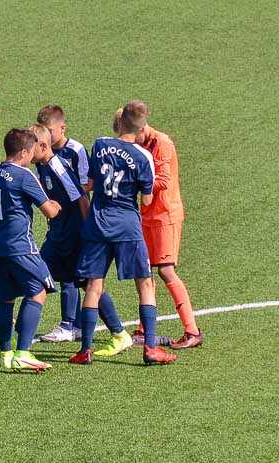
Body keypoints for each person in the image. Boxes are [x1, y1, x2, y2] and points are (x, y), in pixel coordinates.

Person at [69, 101, 177, 365]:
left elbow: (91, 183)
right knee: (145, 284)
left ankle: (86, 351)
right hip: (127, 226)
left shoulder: (100, 144)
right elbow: (148, 200)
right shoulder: (144, 157)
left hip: (98, 223)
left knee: (94, 286)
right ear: (142, 126)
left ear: (121, 122)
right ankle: (150, 348)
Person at [28, 125, 133, 356]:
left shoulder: (59, 169)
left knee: (86, 284)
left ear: (43, 147)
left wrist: (88, 234)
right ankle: (19, 337)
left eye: (30, 147)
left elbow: (82, 199)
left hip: (74, 237)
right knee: (36, 275)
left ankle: (119, 334)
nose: (26, 151)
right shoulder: (42, 166)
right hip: (58, 237)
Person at [113, 106, 203, 349]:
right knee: (144, 271)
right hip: (145, 217)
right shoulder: (136, 145)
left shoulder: (162, 143)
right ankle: (144, 330)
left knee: (165, 270)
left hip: (165, 216)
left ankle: (192, 331)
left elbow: (163, 180)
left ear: (139, 128)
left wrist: (132, 184)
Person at [0, 128, 61, 371]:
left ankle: (5, 353)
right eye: (32, 150)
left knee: (5, 299)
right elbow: (49, 211)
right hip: (22, 247)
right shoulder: (24, 175)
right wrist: (55, 206)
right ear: (24, 151)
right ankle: (23, 351)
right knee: (39, 291)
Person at [36, 105, 90, 190]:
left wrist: (68, 197)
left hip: (74, 202)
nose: (46, 135)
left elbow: (87, 184)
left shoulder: (77, 150)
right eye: (43, 131)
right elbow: (39, 183)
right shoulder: (40, 150)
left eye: (49, 131)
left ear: (63, 128)